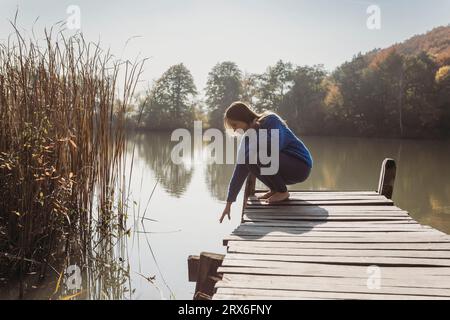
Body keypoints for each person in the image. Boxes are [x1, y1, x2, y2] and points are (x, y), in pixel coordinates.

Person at [219, 101, 313, 223]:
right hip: (284, 167)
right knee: (248, 159)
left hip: (300, 165)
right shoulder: (248, 138)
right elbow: (240, 170)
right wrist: (229, 203)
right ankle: (275, 188)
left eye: (235, 124)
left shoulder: (270, 120)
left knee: (259, 155)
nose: (235, 129)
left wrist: (255, 135)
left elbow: (275, 146)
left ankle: (282, 192)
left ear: (243, 118)